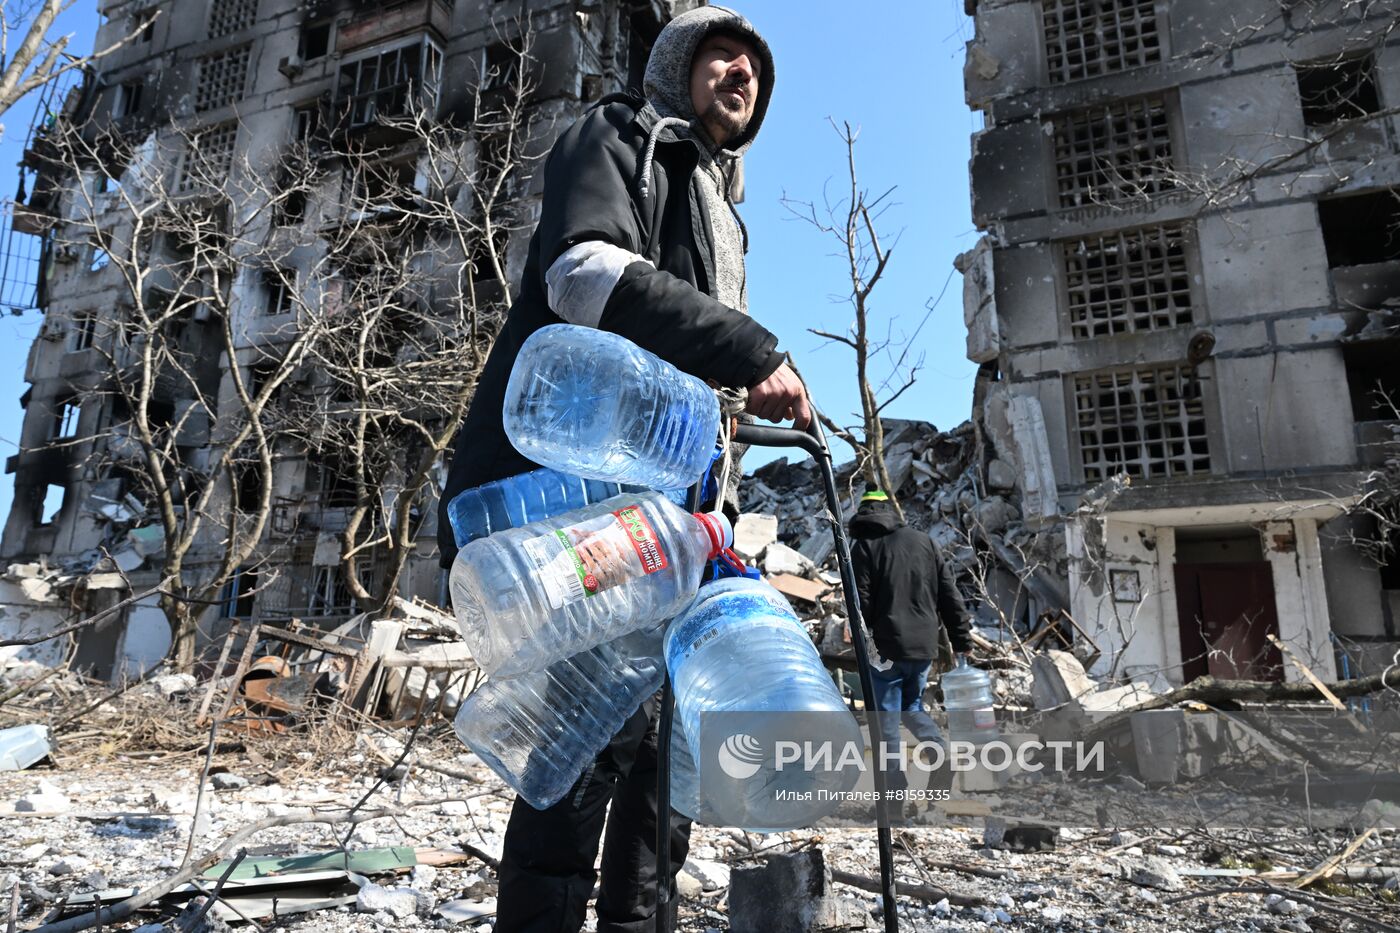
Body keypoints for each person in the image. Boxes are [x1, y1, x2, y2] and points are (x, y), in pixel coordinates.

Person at [437, 7, 807, 932]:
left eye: (755, 68)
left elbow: (690, 383)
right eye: (723, 56)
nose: (741, 74)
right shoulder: (621, 138)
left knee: (664, 763)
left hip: (676, 515)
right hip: (588, 504)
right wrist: (753, 350)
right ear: (678, 66)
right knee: (587, 740)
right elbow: (583, 274)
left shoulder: (723, 210)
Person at [848, 486, 973, 739]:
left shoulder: (864, 547)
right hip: (924, 646)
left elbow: (862, 601)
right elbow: (949, 595)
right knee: (912, 707)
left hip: (887, 647)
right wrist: (962, 639)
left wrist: (863, 634)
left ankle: (892, 780)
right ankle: (941, 754)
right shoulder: (925, 542)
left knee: (886, 722)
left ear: (862, 516)